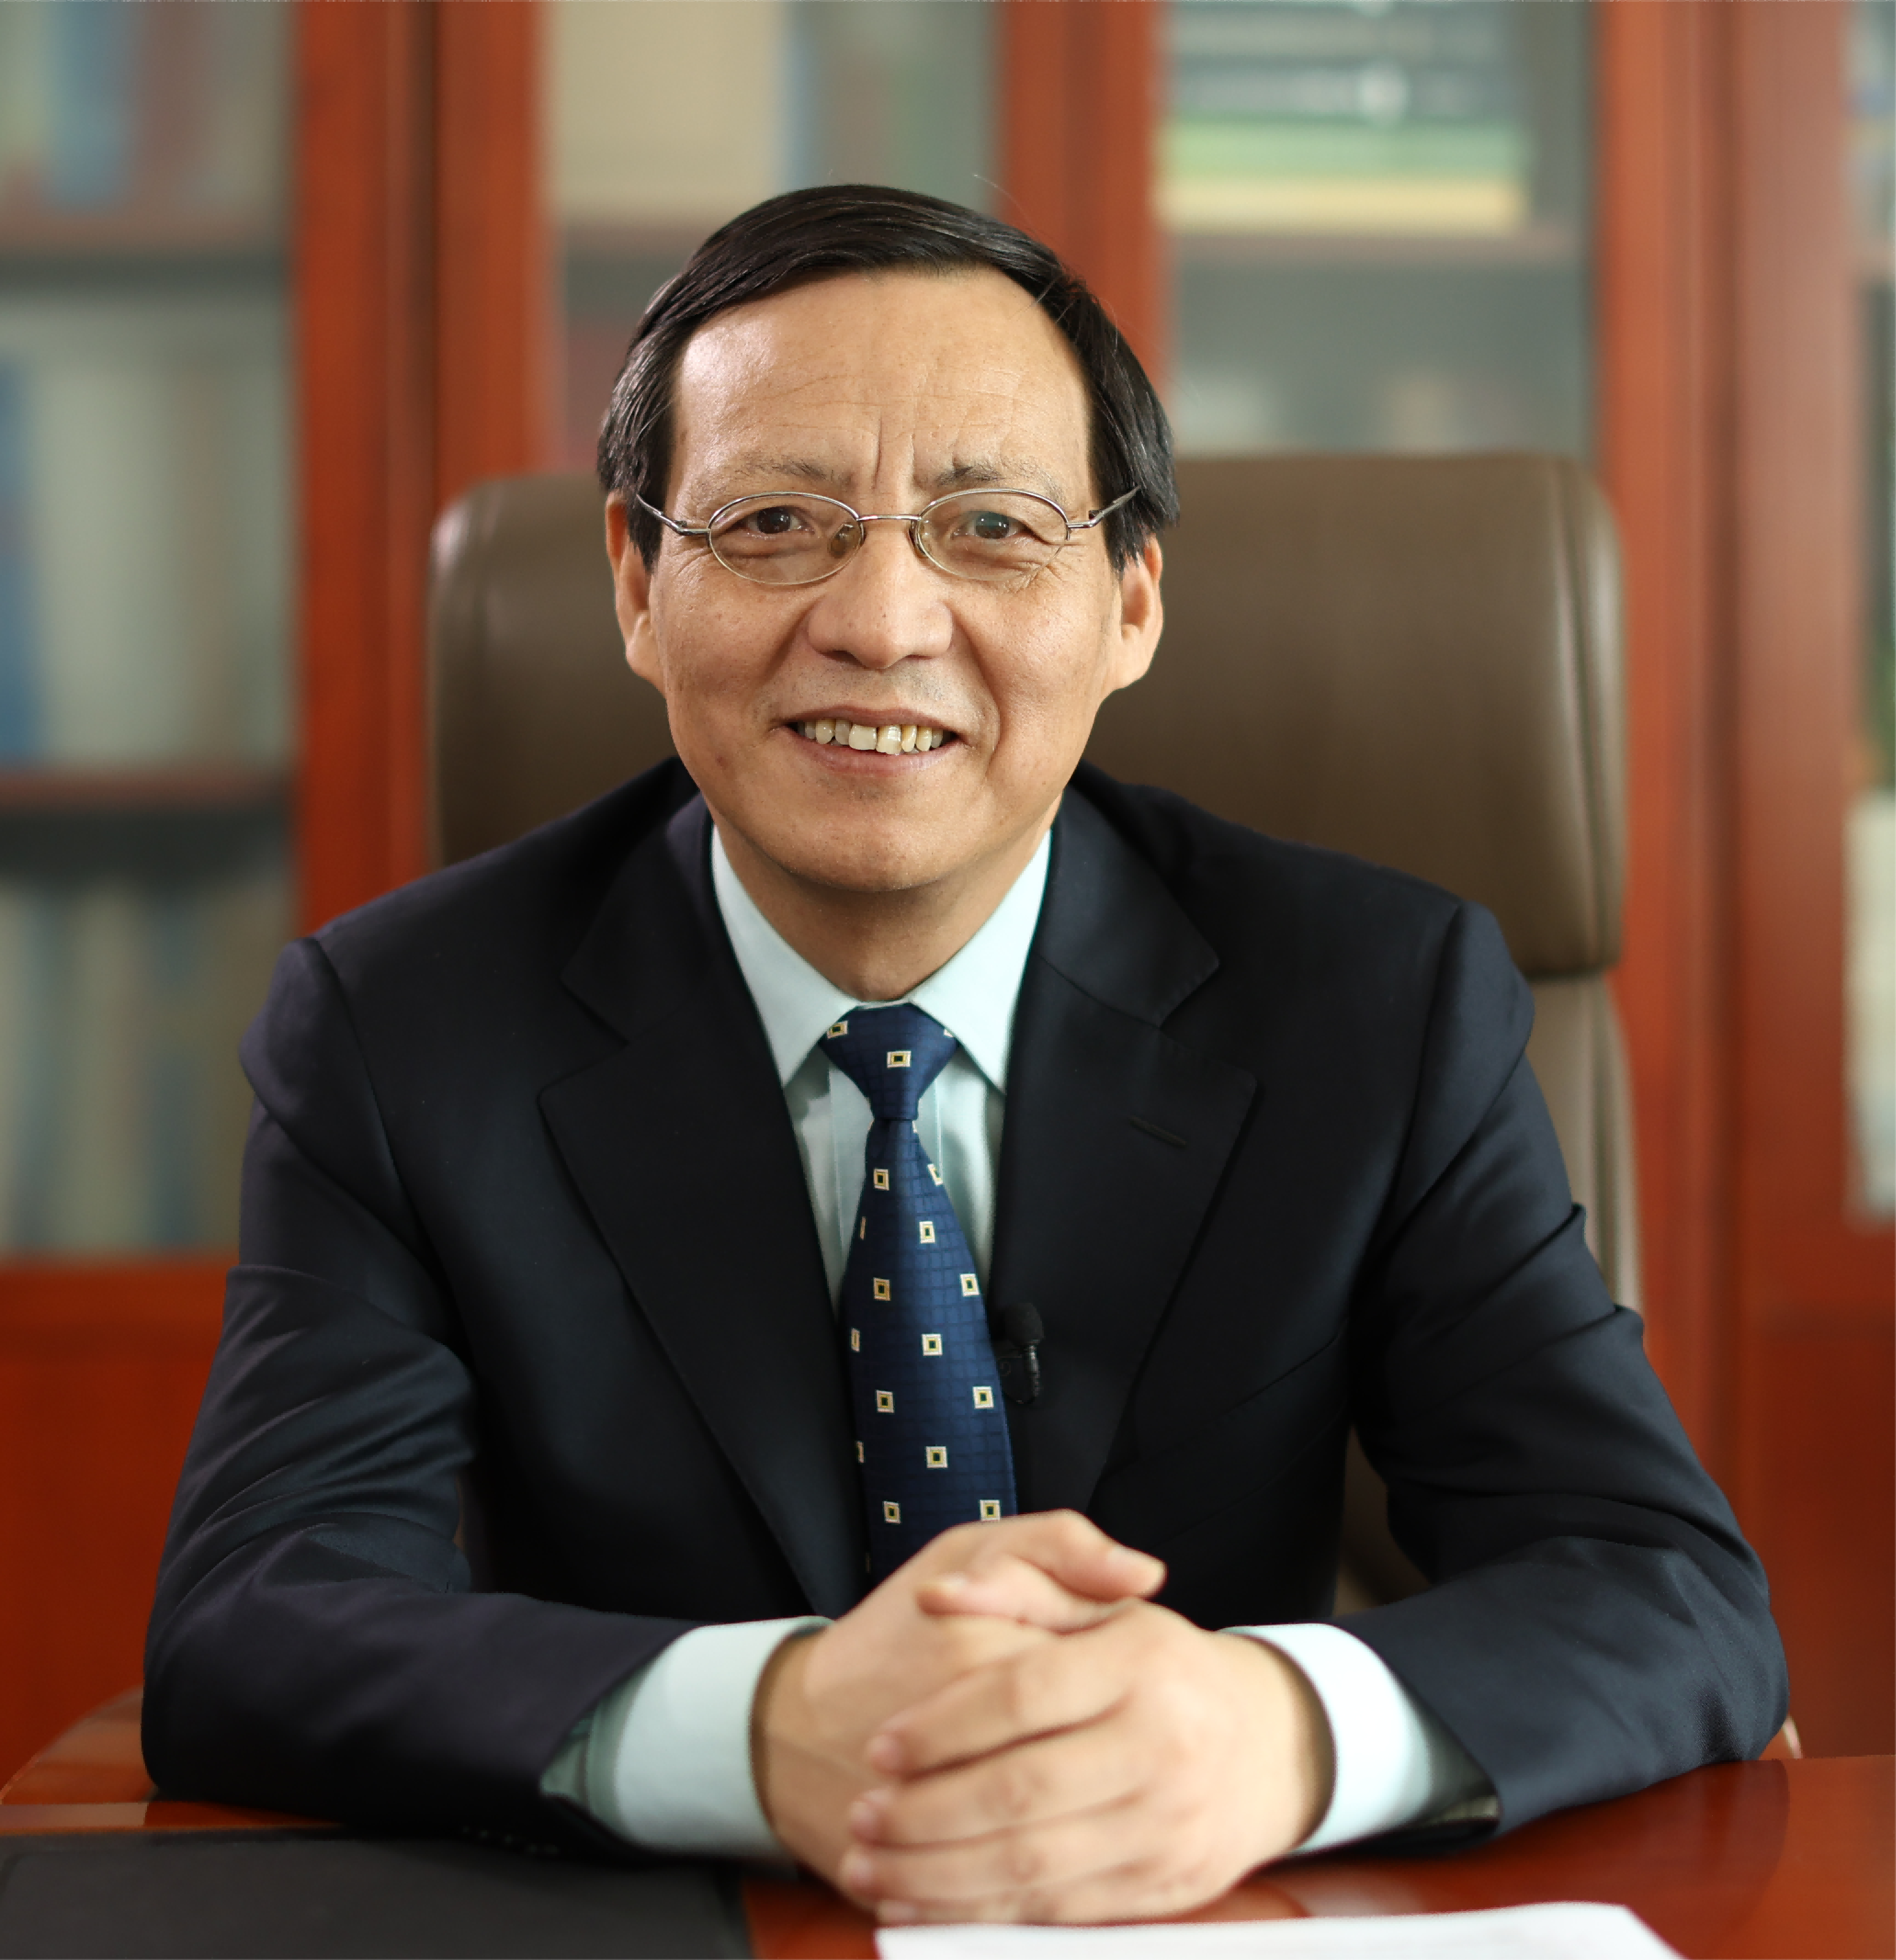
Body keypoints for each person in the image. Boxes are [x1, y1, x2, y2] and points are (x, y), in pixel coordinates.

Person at [143, 186, 1786, 1926]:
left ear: (1132, 602)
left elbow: (1659, 1583)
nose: (883, 621)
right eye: (776, 523)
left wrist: (1274, 1731)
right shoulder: (402, 1031)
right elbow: (257, 1618)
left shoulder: (1376, 1005)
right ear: (634, 584)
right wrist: (760, 1726)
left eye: (990, 528)